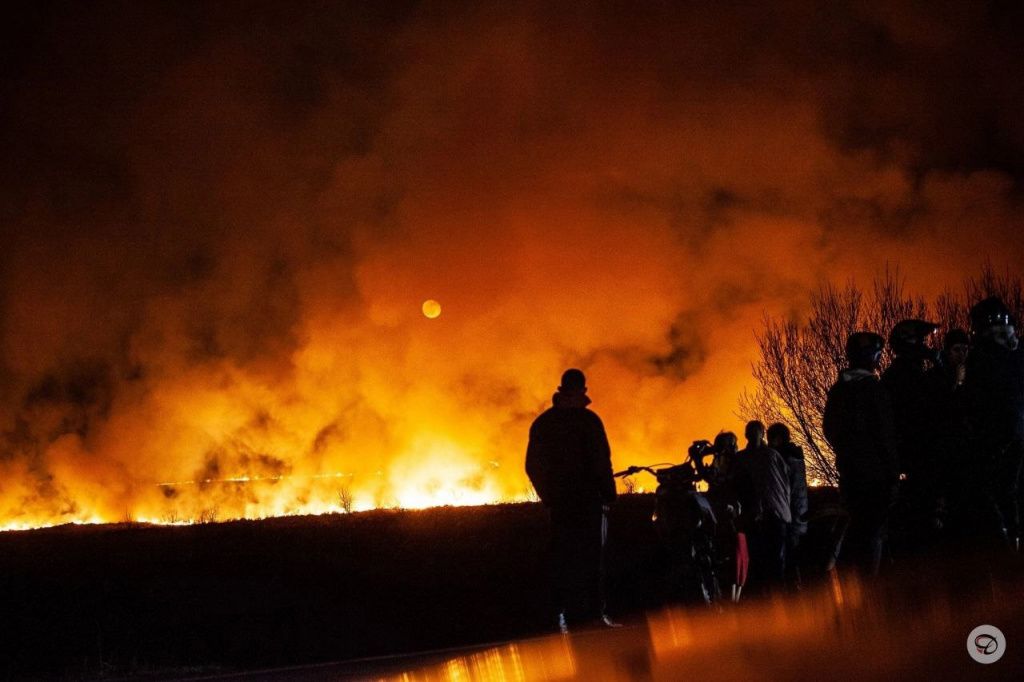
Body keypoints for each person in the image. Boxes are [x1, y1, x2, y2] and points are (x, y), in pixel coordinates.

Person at [525, 368, 617, 632]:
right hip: (589, 503)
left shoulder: (543, 424)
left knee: (563, 558)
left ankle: (559, 616)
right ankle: (594, 616)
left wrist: (549, 497)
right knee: (592, 559)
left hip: (561, 506)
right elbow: (602, 461)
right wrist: (608, 492)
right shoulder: (589, 421)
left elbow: (532, 465)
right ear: (582, 390)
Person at [823, 332, 899, 577]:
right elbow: (885, 434)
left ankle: (849, 586)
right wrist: (893, 473)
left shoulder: (838, 391)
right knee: (874, 533)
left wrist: (847, 453)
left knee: (857, 529)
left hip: (849, 474)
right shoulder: (874, 390)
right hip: (876, 477)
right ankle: (870, 589)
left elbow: (830, 430)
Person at [961, 297, 1024, 551]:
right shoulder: (1017, 353)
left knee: (999, 498)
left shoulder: (981, 358)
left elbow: (976, 405)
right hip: (1013, 437)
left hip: (999, 443)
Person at [881, 319, 940, 549]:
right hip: (917, 462)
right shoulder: (905, 377)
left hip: (917, 461)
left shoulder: (906, 374)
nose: (926, 346)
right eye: (922, 340)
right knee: (921, 525)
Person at [733, 420, 791, 592]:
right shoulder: (743, 459)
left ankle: (777, 595)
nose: (753, 434)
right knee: (761, 559)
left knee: (776, 558)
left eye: (756, 430)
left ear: (762, 433)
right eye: (750, 431)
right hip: (757, 517)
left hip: (776, 513)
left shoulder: (771, 456)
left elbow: (785, 484)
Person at [922, 329, 970, 538]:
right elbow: (941, 411)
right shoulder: (935, 378)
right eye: (957, 349)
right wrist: (957, 385)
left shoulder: (974, 375)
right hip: (942, 453)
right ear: (948, 351)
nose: (962, 354)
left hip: (964, 451)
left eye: (965, 349)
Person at [766, 423, 809, 589]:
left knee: (789, 557)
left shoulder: (784, 459)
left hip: (789, 513)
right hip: (799, 512)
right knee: (794, 555)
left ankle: (792, 593)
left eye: (770, 439)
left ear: (777, 439)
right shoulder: (795, 455)